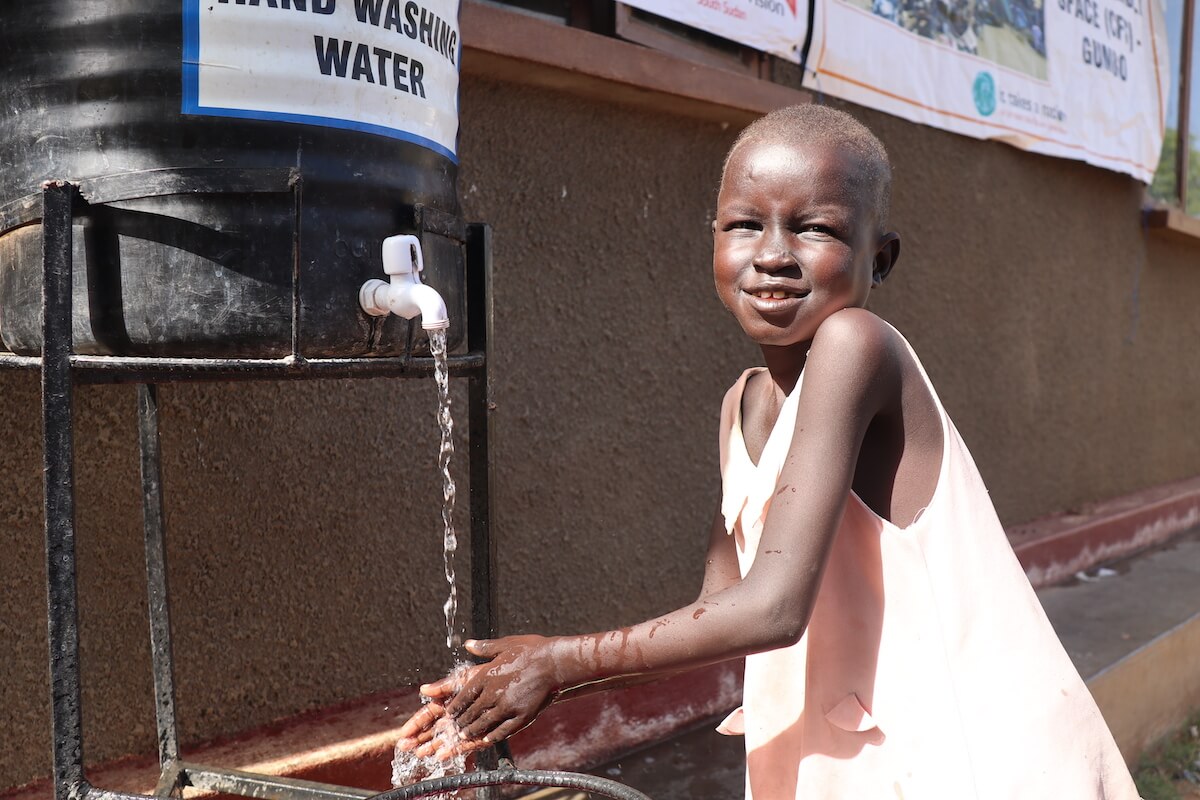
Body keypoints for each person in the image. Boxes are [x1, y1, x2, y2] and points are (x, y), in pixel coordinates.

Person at [397, 104, 1140, 799]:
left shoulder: (858, 349)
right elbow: (723, 616)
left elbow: (775, 607)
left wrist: (561, 662)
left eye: (815, 228)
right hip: (864, 766)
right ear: (714, 239)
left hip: (975, 758)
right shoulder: (744, 403)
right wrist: (509, 690)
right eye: (746, 224)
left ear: (878, 259)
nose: (775, 255)